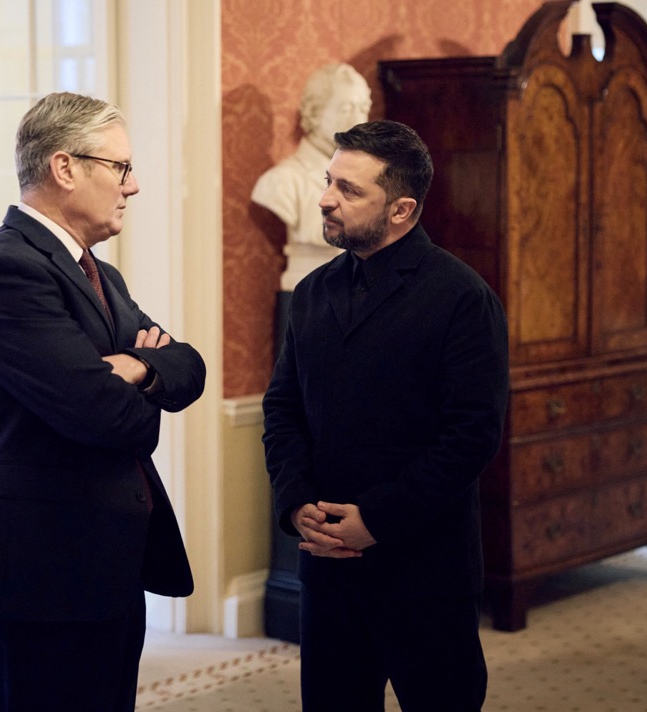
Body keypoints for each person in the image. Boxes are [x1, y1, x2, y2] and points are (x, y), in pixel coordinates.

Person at [0, 92, 205, 711]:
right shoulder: (5, 271)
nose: (132, 187)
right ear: (65, 168)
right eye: (121, 168)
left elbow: (188, 366)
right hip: (38, 571)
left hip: (104, 561)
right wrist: (138, 385)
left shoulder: (99, 274)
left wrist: (137, 365)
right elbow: (105, 415)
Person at [262, 120, 509, 711]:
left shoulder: (462, 297)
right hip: (326, 569)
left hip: (426, 569)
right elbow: (283, 407)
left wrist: (375, 519)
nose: (325, 197)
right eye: (329, 181)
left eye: (348, 189)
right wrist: (297, 505)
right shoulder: (314, 292)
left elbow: (471, 436)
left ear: (401, 209)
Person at [252, 63, 371, 290]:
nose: (359, 119)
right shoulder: (282, 181)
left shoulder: (370, 180)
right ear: (314, 113)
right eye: (347, 108)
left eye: (363, 107)